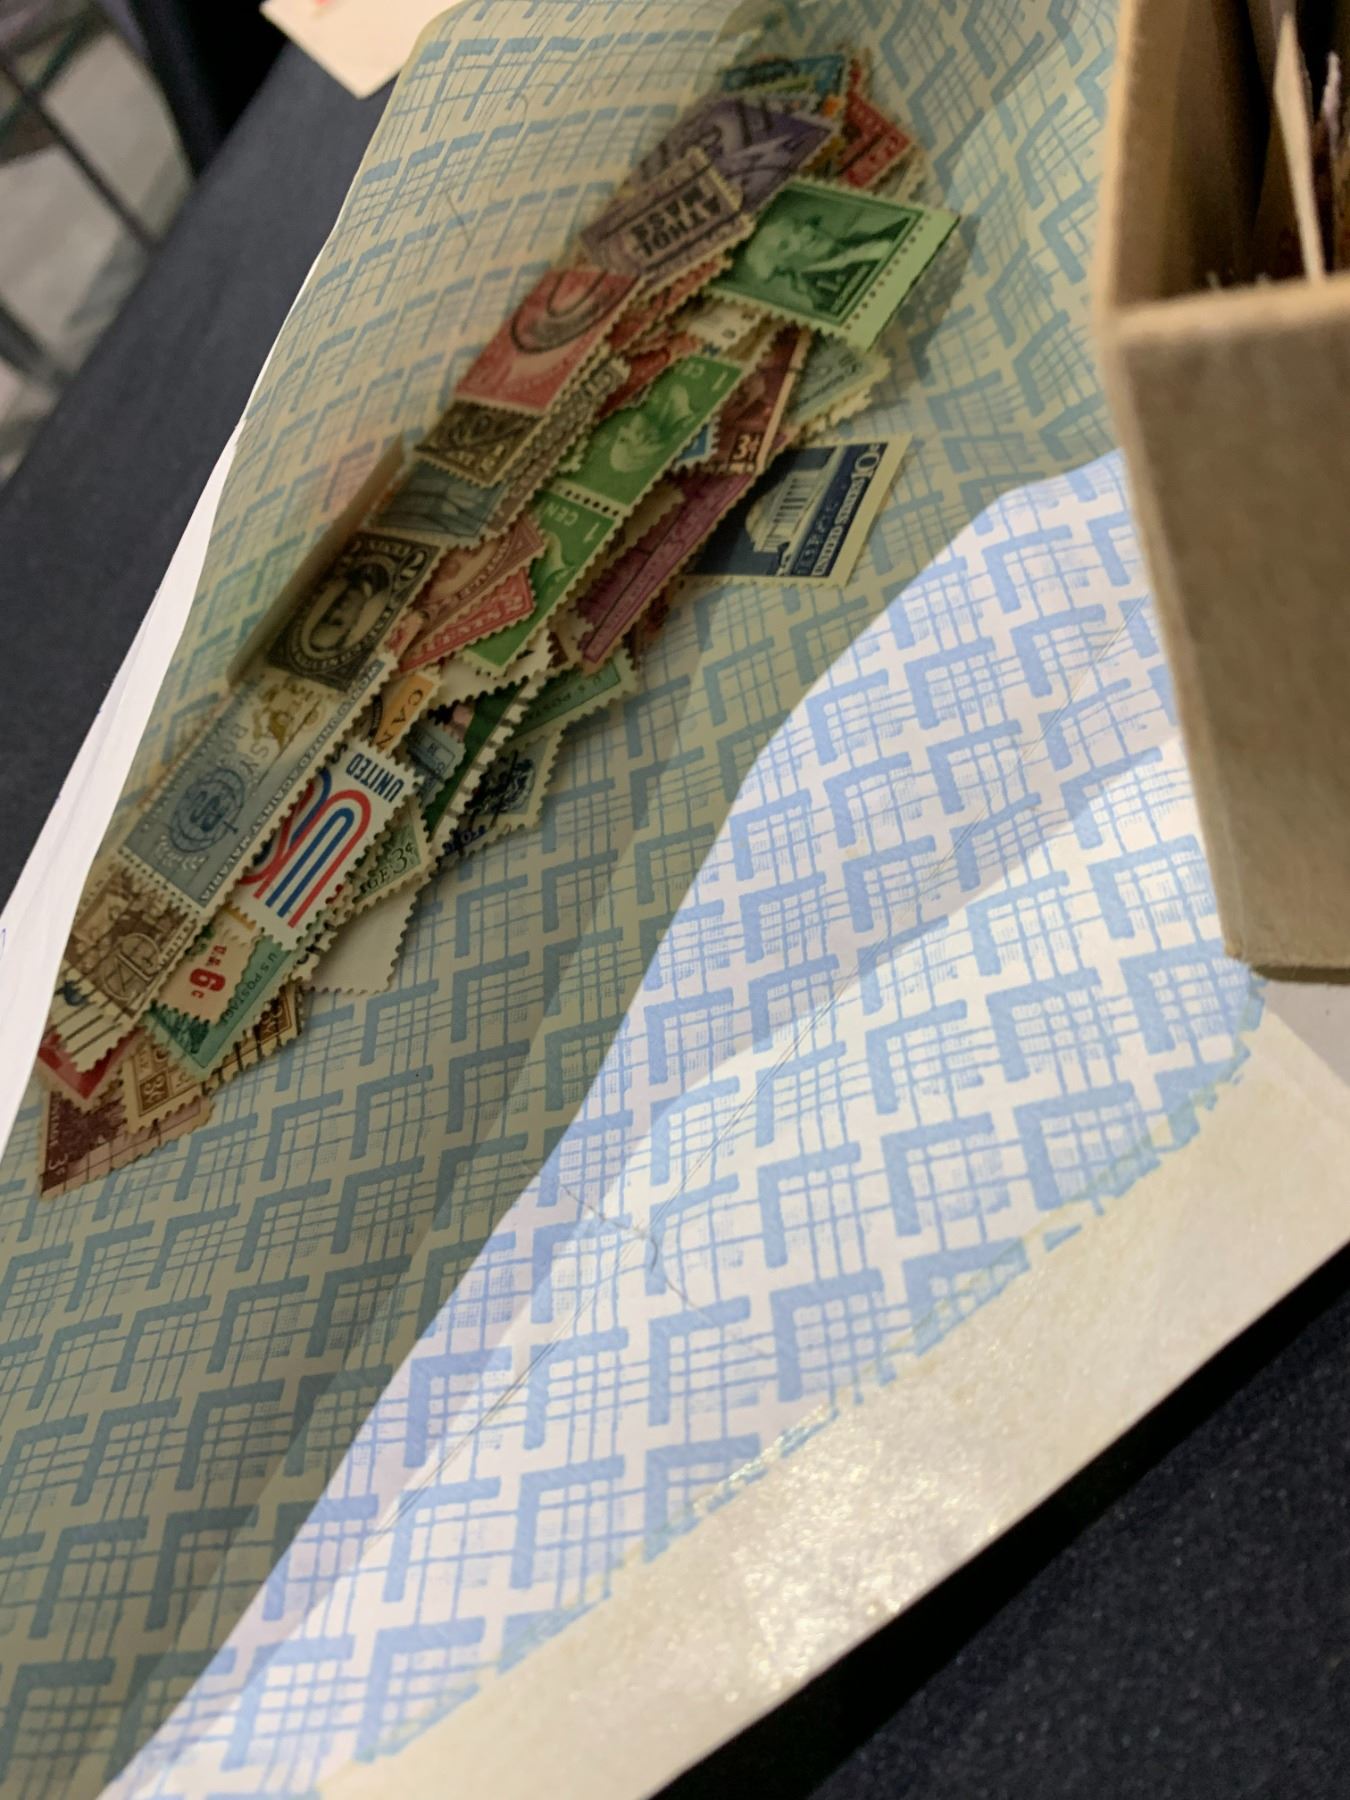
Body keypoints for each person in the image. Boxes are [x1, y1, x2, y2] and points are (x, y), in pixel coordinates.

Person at [740, 203, 905, 312]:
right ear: (783, 267)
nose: (805, 236)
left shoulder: (867, 236)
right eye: (785, 246)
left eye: (798, 228)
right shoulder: (828, 299)